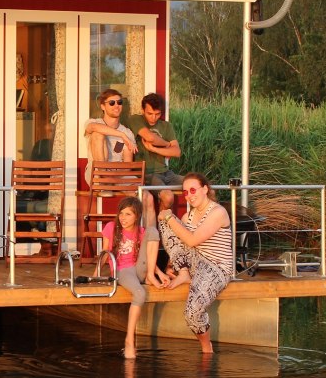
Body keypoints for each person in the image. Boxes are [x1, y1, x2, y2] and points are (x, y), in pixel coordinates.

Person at [155, 173, 235, 354]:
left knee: (192, 313)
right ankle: (183, 273)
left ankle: (207, 348)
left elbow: (191, 240)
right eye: (185, 192)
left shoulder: (218, 212)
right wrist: (170, 266)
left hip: (216, 267)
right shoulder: (188, 216)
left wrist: (168, 216)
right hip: (195, 263)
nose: (189, 195)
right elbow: (179, 243)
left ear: (205, 189)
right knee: (167, 223)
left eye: (193, 190)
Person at [100, 196, 162, 359]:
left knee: (153, 230)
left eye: (128, 214)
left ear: (137, 216)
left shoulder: (141, 232)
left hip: (140, 269)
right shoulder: (111, 227)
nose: (123, 218)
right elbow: (105, 253)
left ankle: (150, 276)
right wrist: (96, 274)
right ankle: (129, 340)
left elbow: (147, 256)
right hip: (123, 271)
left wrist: (159, 273)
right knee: (140, 293)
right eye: (121, 213)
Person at [128, 93, 183, 212]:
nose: (153, 118)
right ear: (143, 110)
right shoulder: (135, 119)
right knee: (168, 197)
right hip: (147, 174)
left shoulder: (166, 126)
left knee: (204, 186)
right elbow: (150, 138)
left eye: (157, 114)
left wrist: (154, 149)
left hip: (167, 173)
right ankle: (163, 229)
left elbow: (177, 152)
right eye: (150, 114)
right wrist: (167, 144)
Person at [82, 88, 136, 178]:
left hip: (118, 174)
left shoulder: (127, 133)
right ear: (103, 106)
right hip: (96, 174)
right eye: (112, 103)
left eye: (119, 102)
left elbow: (127, 165)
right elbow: (94, 127)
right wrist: (121, 135)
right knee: (98, 133)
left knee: (141, 191)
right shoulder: (93, 122)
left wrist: (114, 176)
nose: (116, 106)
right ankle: (104, 177)